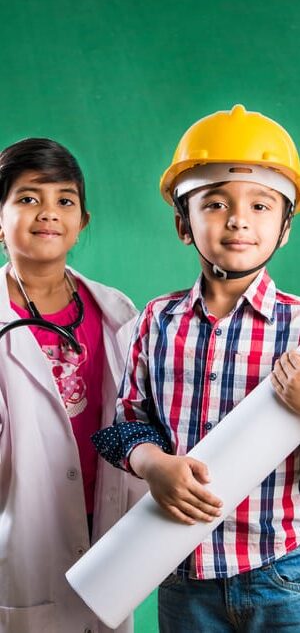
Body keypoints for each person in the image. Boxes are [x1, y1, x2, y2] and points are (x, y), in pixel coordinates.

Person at [92, 104, 300, 632]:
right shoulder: (156, 322)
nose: (238, 219)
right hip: (179, 574)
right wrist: (150, 463)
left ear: (285, 229)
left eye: (260, 204)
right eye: (215, 203)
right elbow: (123, 427)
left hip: (281, 575)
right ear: (183, 224)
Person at [0, 137, 145, 633]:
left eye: (65, 200)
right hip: (23, 533)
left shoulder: (118, 312)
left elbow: (139, 415)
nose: (48, 213)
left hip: (105, 523)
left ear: (82, 222)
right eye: (27, 198)